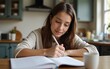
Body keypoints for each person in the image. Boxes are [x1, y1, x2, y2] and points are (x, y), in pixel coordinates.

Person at [15, 2, 99, 58]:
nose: (60, 28)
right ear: (51, 18)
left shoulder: (72, 37)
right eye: (58, 22)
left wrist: (67, 52)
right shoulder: (37, 34)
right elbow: (18, 51)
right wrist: (46, 52)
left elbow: (94, 51)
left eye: (66, 25)